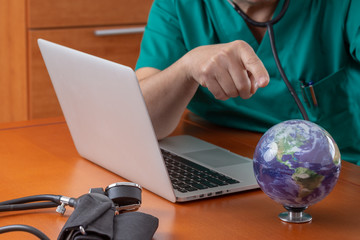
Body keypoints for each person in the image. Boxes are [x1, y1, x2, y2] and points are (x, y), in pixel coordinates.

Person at [135, 0, 360, 165]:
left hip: (335, 170)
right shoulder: (179, 5)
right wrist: (186, 68)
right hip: (221, 156)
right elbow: (136, 119)